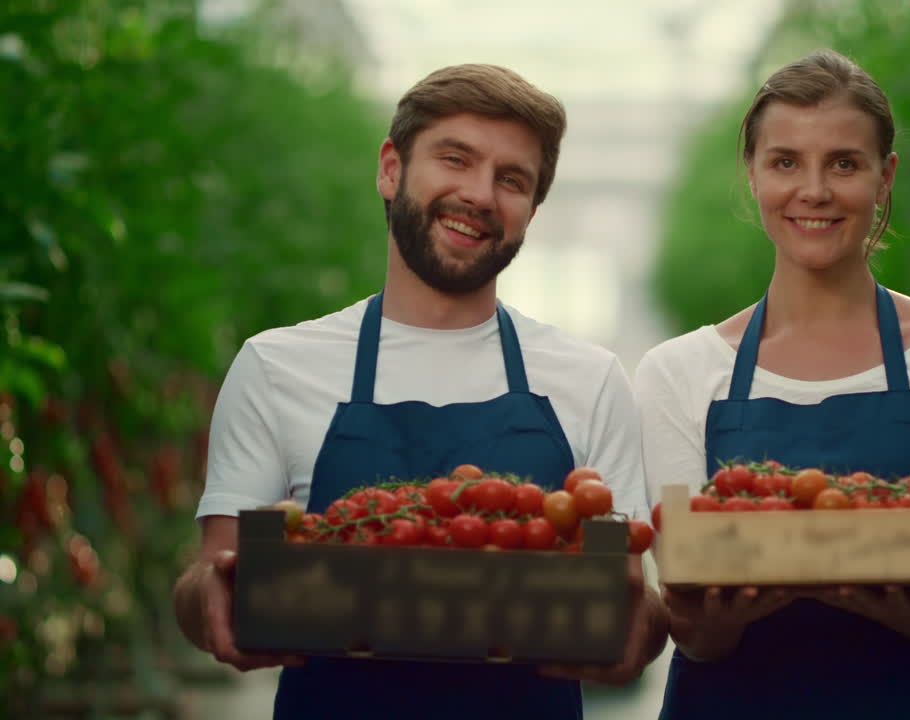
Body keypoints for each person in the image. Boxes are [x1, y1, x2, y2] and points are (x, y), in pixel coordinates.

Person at [173, 63, 669, 719]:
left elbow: (629, 587)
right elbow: (211, 573)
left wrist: (649, 628)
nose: (480, 194)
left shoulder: (590, 377)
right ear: (390, 169)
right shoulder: (276, 366)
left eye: (511, 179)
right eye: (455, 159)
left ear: (531, 211)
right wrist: (206, 599)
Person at [634, 49, 910, 718]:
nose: (813, 190)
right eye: (785, 162)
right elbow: (690, 624)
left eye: (843, 163)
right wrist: (716, 621)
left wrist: (867, 597)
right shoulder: (678, 372)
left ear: (884, 177)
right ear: (752, 176)